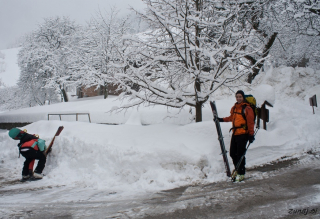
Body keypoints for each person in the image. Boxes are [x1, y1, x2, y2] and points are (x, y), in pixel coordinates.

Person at [216, 90, 255, 182]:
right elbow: (231, 118)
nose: (238, 98)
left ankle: (241, 173)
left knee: (240, 154)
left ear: (243, 97)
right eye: (237, 97)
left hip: (243, 134)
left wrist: (251, 135)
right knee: (233, 153)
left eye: (240, 97)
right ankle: (237, 169)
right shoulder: (234, 108)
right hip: (235, 133)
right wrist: (221, 119)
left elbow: (250, 122)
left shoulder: (247, 109)